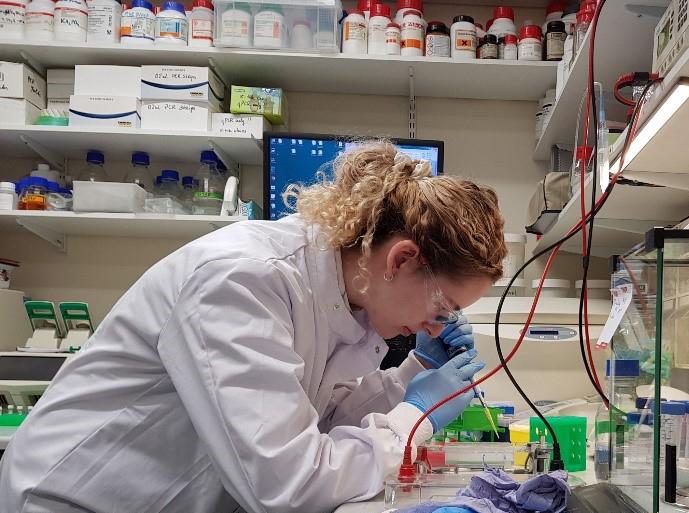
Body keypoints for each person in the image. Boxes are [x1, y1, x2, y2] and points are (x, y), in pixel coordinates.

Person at [0, 142, 507, 513]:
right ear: (401, 259)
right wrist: (415, 417)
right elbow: (286, 485)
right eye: (443, 306)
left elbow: (316, 421)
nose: (438, 323)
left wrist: (412, 375)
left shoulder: (344, 296)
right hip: (74, 499)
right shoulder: (245, 278)